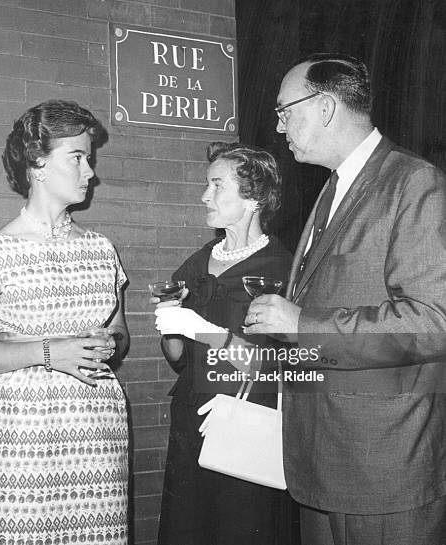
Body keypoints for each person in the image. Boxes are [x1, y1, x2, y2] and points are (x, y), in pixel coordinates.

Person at [241, 53, 446, 544]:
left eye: (286, 111)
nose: (279, 125)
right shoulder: (334, 188)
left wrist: (303, 324)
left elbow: (432, 321)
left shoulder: (414, 183)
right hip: (323, 461)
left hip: (382, 469)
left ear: (326, 107)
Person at [0, 100, 130, 545]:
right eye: (76, 158)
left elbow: (119, 330)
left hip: (96, 433)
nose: (89, 172)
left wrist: (110, 341)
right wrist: (49, 352)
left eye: (89, 159)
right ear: (37, 164)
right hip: (21, 438)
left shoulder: (102, 249)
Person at [154, 142, 297, 545]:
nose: (205, 196)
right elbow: (178, 358)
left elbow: (269, 367)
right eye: (207, 185)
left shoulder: (280, 268)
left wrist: (198, 326)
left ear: (253, 198)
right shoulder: (198, 262)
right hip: (192, 420)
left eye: (217, 186)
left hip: (247, 427)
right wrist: (170, 326)